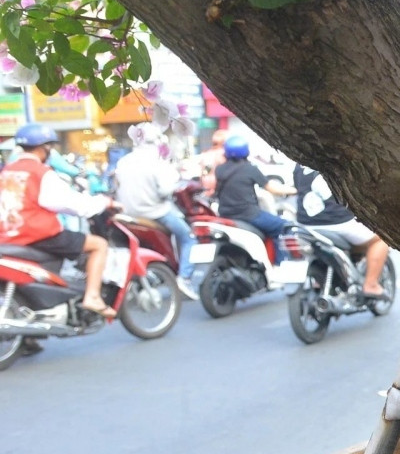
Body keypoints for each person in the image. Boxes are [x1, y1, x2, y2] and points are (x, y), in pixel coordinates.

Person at [0, 123, 118, 318]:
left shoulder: (7, 172)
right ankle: (93, 297)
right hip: (37, 234)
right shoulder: (41, 173)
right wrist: (104, 203)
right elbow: (75, 205)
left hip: (8, 235)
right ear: (44, 148)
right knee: (99, 245)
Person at [113, 123, 199, 300]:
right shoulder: (156, 162)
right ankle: (184, 278)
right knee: (188, 237)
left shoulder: (123, 161)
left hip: (129, 214)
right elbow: (166, 190)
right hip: (156, 212)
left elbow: (116, 186)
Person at [293, 164, 389, 298]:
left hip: (305, 225)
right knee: (381, 239)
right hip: (338, 222)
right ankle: (371, 284)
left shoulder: (299, 163)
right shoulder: (337, 158)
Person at [213, 134, 295, 259]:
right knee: (284, 226)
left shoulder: (219, 169)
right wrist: (296, 190)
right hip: (249, 215)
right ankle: (282, 265)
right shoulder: (250, 169)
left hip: (226, 214)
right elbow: (273, 189)